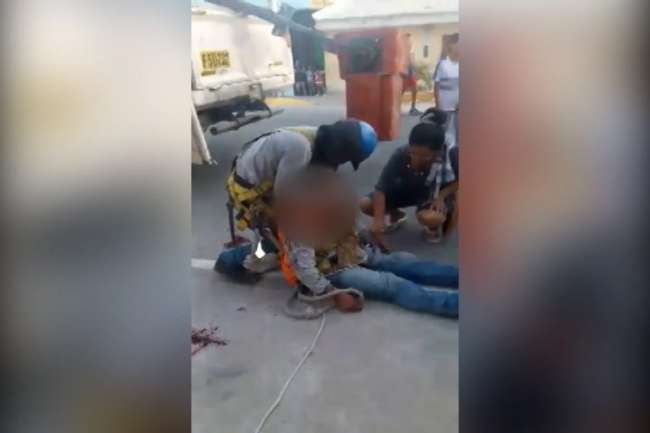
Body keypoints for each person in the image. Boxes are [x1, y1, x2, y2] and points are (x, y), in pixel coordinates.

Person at [276, 167, 459, 318]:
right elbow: (305, 270)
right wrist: (334, 294)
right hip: (334, 271)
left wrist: (371, 239)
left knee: (406, 263)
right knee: (391, 284)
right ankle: (454, 306)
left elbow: (355, 227)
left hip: (353, 252)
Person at [217, 120, 378, 280]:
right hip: (250, 189)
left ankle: (271, 251)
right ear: (341, 151)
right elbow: (284, 196)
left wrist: (358, 229)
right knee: (281, 233)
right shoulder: (300, 148)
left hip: (272, 179)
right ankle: (243, 262)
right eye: (346, 159)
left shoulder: (324, 141)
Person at [360, 117, 452, 244]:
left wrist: (442, 196)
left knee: (432, 218)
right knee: (366, 204)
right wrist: (378, 220)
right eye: (414, 154)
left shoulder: (449, 157)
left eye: (424, 156)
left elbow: (459, 182)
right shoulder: (401, 153)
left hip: (429, 196)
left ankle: (432, 226)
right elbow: (380, 189)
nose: (417, 159)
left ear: (437, 153)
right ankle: (397, 214)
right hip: (402, 191)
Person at [434, 33, 459, 148]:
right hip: (444, 105)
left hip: (460, 105)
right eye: (458, 44)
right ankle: (441, 154)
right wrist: (438, 104)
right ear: (451, 45)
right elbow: (436, 85)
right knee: (442, 132)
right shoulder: (442, 64)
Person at [402, 33, 420, 115]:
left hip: (410, 71)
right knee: (401, 90)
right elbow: (410, 61)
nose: (410, 42)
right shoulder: (402, 51)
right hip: (405, 72)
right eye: (408, 40)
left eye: (410, 40)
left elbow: (413, 62)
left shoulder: (411, 50)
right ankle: (396, 107)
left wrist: (415, 71)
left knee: (414, 89)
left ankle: (413, 108)